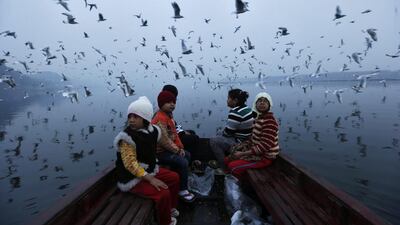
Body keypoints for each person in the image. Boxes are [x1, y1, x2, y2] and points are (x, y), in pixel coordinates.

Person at [113, 96, 180, 225]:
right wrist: (150, 178)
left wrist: (178, 148)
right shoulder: (126, 138)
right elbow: (130, 164)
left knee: (174, 178)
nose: (131, 120)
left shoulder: (153, 130)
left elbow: (165, 140)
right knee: (163, 193)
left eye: (135, 116)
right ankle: (165, 222)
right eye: (130, 116)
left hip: (148, 169)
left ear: (145, 118)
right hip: (131, 178)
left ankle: (170, 208)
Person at [151, 90, 196, 203]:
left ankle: (180, 182)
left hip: (167, 150)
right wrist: (177, 150)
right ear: (161, 104)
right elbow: (164, 141)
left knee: (187, 154)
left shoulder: (168, 116)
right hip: (159, 152)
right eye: (168, 102)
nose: (172, 104)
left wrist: (180, 148)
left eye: (174, 102)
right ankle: (182, 190)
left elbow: (174, 134)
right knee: (182, 161)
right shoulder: (159, 119)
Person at [224, 92, 280, 180]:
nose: (262, 103)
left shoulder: (270, 122)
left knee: (233, 167)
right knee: (228, 159)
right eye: (259, 101)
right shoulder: (259, 118)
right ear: (255, 104)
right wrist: (241, 146)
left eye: (265, 101)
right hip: (256, 153)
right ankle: (230, 179)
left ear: (269, 105)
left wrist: (242, 153)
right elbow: (253, 139)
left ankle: (241, 187)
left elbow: (264, 146)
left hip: (264, 157)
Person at [209, 88, 255, 169]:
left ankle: (223, 166)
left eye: (228, 98)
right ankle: (229, 158)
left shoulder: (235, 112)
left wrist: (222, 133)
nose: (227, 100)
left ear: (235, 100)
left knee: (213, 141)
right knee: (219, 133)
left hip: (240, 143)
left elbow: (228, 133)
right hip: (246, 138)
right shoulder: (247, 108)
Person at [162, 84, 200, 154]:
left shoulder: (166, 108)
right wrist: (182, 133)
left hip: (173, 134)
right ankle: (188, 159)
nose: (174, 101)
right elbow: (169, 132)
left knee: (191, 132)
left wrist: (183, 131)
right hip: (170, 139)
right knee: (195, 138)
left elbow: (173, 124)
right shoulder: (163, 112)